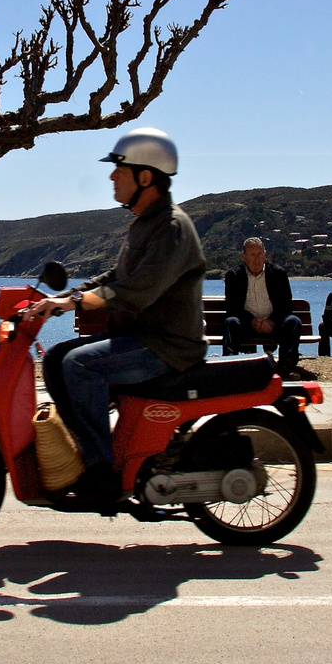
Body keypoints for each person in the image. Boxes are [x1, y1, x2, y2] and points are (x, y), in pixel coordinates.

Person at [27, 128, 207, 505]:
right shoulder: (146, 223)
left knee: (80, 366)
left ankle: (102, 472)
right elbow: (114, 278)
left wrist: (70, 304)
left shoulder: (172, 228)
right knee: (57, 359)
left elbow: (135, 291)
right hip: (143, 338)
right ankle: (86, 453)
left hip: (165, 346)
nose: (111, 177)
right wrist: (61, 298)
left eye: (119, 171)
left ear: (145, 178)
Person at [222, 238, 304, 375]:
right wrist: (251, 321)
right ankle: (230, 367)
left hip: (274, 323)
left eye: (260, 254)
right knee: (230, 322)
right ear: (244, 257)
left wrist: (272, 321)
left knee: (294, 321)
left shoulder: (278, 274)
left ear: (265, 255)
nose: (257, 259)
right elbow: (232, 307)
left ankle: (287, 365)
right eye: (252, 254)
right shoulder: (234, 275)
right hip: (246, 325)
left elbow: (286, 306)